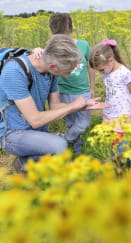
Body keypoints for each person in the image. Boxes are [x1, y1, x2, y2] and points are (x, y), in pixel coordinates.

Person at [0, 34, 88, 174]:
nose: (68, 75)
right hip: (12, 133)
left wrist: (84, 105)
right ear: (53, 66)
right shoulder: (14, 72)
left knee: (54, 151)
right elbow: (35, 120)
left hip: (36, 132)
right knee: (59, 145)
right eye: (67, 71)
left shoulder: (50, 72)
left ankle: (27, 164)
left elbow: (55, 107)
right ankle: (23, 165)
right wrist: (73, 106)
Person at [33, 13, 96, 154]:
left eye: (65, 37)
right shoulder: (52, 47)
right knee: (70, 122)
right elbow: (43, 57)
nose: (62, 41)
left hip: (82, 90)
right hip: (62, 91)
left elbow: (91, 65)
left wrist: (92, 87)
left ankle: (66, 139)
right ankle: (76, 147)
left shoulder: (83, 45)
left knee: (83, 123)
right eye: (58, 37)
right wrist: (37, 50)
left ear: (72, 31)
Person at [89, 39, 131, 167]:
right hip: (110, 112)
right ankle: (116, 162)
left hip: (122, 115)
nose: (101, 73)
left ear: (111, 60)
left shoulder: (125, 73)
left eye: (101, 70)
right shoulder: (108, 72)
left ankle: (125, 167)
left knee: (123, 143)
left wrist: (129, 110)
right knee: (112, 141)